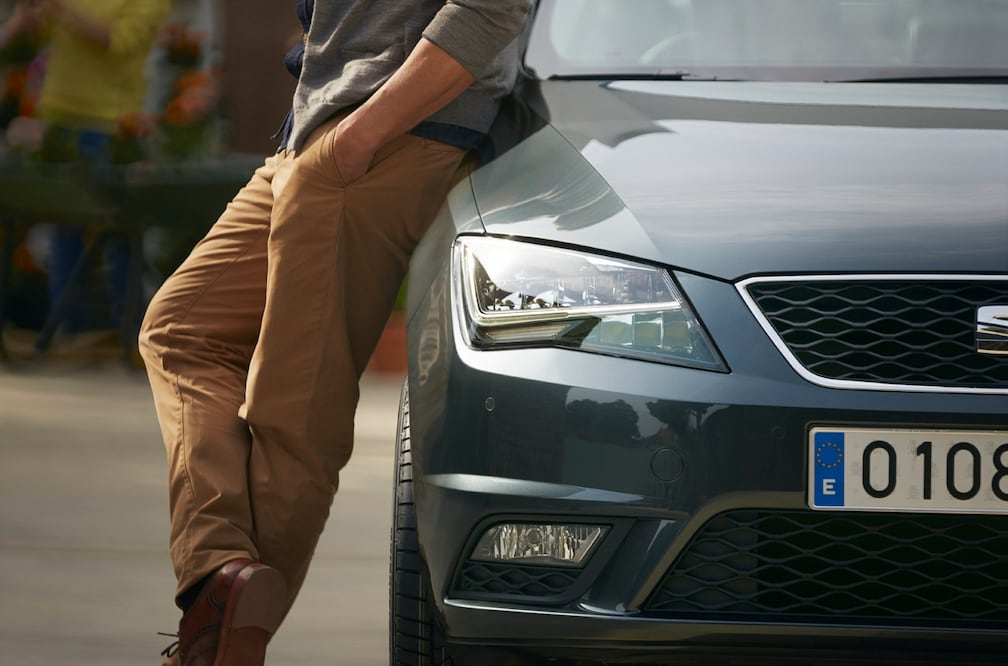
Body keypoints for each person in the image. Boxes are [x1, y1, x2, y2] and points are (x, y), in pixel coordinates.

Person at [138, 1, 533, 665]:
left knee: (295, 411)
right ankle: (220, 571)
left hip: (383, 135)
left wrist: (363, 135)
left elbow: (491, 8)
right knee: (182, 329)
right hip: (323, 132)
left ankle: (223, 646)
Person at [11, 0, 168, 335]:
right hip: (58, 124)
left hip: (111, 128)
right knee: (64, 234)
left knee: (120, 236)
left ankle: (126, 334)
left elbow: (119, 42)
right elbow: (44, 35)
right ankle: (67, 333)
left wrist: (61, 10)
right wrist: (28, 19)